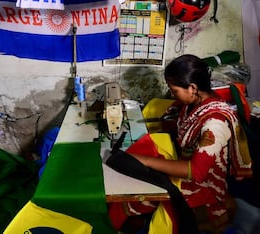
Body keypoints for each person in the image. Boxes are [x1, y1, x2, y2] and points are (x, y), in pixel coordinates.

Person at [107, 54, 252, 233]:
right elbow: (180, 129)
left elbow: (197, 172)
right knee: (132, 181)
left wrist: (143, 160)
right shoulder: (193, 104)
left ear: (192, 88)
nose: (173, 94)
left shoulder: (215, 122)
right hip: (185, 170)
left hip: (204, 188)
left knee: (135, 196)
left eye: (174, 90)